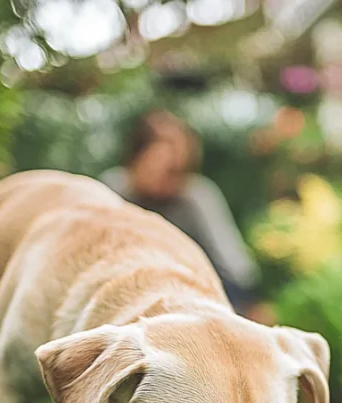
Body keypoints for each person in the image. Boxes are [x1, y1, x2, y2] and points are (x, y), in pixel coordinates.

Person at [99, 109, 271, 322]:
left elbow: (232, 262)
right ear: (136, 159)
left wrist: (248, 302)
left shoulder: (195, 197)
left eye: (181, 171)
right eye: (166, 169)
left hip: (192, 299)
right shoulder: (112, 192)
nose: (172, 180)